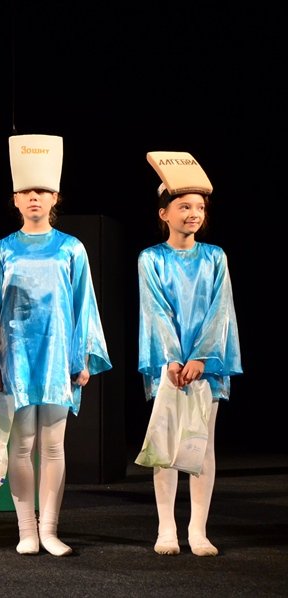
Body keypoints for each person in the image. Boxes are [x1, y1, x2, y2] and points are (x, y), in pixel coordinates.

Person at [0, 134, 111, 557]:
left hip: (56, 359)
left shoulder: (71, 249)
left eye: (42, 191)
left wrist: (82, 355)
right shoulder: (2, 250)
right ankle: (26, 530)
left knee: (53, 446)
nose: (34, 197)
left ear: (55, 197)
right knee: (21, 445)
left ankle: (49, 529)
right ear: (16, 199)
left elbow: (84, 304)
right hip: (15, 359)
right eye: (27, 192)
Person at [138, 151, 242, 557]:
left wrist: (202, 357)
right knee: (165, 443)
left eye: (199, 207)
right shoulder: (151, 258)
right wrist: (172, 358)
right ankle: (166, 527)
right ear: (164, 213)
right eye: (184, 206)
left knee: (202, 443)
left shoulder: (215, 256)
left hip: (206, 365)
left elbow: (221, 309)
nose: (193, 213)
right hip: (169, 364)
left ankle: (198, 529)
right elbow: (154, 310)